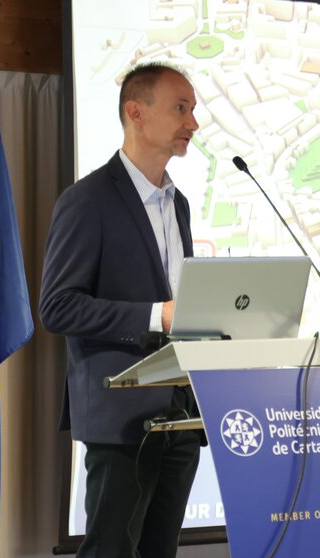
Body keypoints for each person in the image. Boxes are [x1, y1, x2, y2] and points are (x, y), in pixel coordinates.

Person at [39, 62, 202, 558]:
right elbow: (57, 307)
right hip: (121, 420)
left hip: (181, 416)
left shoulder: (179, 205)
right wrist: (158, 317)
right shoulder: (86, 200)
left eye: (192, 110)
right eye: (181, 108)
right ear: (136, 112)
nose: (193, 123)